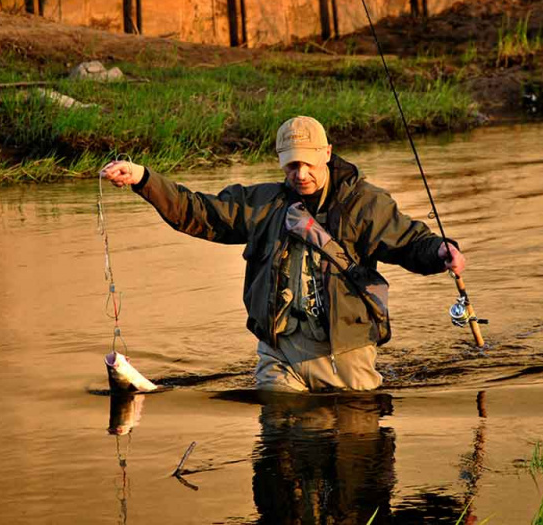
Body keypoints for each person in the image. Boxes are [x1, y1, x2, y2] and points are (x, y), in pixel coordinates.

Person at [101, 116, 465, 392]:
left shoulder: (365, 203)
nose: (302, 173)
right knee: (281, 456)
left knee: (358, 465)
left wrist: (440, 251)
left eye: (309, 162)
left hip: (346, 354)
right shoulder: (263, 204)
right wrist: (143, 179)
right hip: (279, 354)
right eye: (292, 164)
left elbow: (408, 242)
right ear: (280, 161)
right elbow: (197, 212)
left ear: (327, 153)